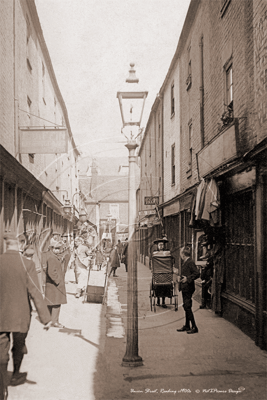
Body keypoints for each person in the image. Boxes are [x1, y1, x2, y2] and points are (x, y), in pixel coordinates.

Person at [0, 233, 52, 399]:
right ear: (20, 245)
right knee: (19, 344)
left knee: (1, 349)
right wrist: (46, 318)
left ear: (6, 245)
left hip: (1, 315)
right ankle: (15, 374)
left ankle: (2, 388)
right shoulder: (27, 264)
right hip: (21, 315)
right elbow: (35, 292)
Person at [176, 246, 200, 334]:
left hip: (188, 288)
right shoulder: (186, 262)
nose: (180, 255)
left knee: (187, 307)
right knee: (186, 307)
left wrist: (188, 279)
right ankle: (187, 325)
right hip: (184, 287)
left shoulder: (190, 262)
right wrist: (180, 277)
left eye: (180, 254)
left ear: (183, 254)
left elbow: (197, 273)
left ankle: (194, 326)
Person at [44, 241, 67, 328]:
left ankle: (49, 320)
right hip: (54, 285)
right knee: (57, 303)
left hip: (51, 285)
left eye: (58, 249)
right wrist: (58, 281)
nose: (57, 250)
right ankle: (55, 321)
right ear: (51, 248)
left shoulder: (53, 257)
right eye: (56, 248)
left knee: (51, 302)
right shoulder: (52, 258)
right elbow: (51, 272)